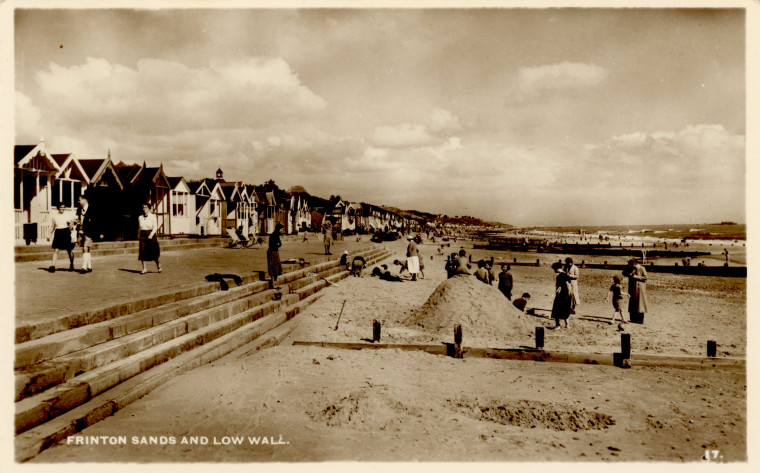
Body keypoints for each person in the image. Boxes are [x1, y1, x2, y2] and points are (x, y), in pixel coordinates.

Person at [49, 204, 75, 272]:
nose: (62, 208)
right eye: (61, 207)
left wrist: (72, 233)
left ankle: (71, 265)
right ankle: (53, 266)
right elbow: (52, 226)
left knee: (69, 250)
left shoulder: (68, 216)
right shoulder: (54, 216)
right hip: (58, 232)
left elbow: (72, 226)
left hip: (66, 232)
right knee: (56, 250)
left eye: (64, 207)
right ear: (58, 208)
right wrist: (49, 235)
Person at [138, 203, 162, 274]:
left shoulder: (153, 216)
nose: (144, 209)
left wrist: (151, 234)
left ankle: (158, 264)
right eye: (143, 207)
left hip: (151, 234)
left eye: (145, 207)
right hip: (143, 235)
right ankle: (144, 268)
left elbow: (155, 226)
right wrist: (138, 235)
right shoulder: (140, 217)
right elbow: (140, 227)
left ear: (149, 209)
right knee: (142, 251)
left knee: (153, 251)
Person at [622, 258, 648, 324]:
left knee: (640, 303)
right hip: (632, 288)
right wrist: (628, 270)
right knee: (633, 302)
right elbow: (623, 273)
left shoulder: (642, 268)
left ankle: (640, 319)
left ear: (635, 264)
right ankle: (633, 318)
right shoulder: (630, 268)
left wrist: (636, 277)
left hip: (640, 288)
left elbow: (645, 278)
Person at [76, 195, 97, 273]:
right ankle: (89, 266)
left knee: (85, 248)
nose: (78, 202)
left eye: (79, 200)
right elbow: (78, 219)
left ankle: (84, 267)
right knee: (86, 249)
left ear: (84, 200)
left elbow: (95, 221)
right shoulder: (79, 209)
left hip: (89, 232)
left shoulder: (92, 209)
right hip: (81, 231)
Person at [550, 261, 574, 328]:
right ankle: (567, 325)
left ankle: (558, 325)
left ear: (556, 268)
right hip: (565, 294)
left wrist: (559, 291)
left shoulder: (561, 275)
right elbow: (568, 285)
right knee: (565, 309)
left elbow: (564, 285)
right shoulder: (565, 274)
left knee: (556, 309)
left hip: (562, 294)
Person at [267, 222, 284, 287]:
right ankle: (273, 283)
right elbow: (276, 244)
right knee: (273, 267)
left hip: (274, 251)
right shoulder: (274, 235)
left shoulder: (276, 234)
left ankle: (275, 283)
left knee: (276, 267)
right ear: (278, 229)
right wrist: (278, 244)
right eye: (281, 229)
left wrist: (278, 244)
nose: (282, 231)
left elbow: (279, 244)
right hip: (272, 252)